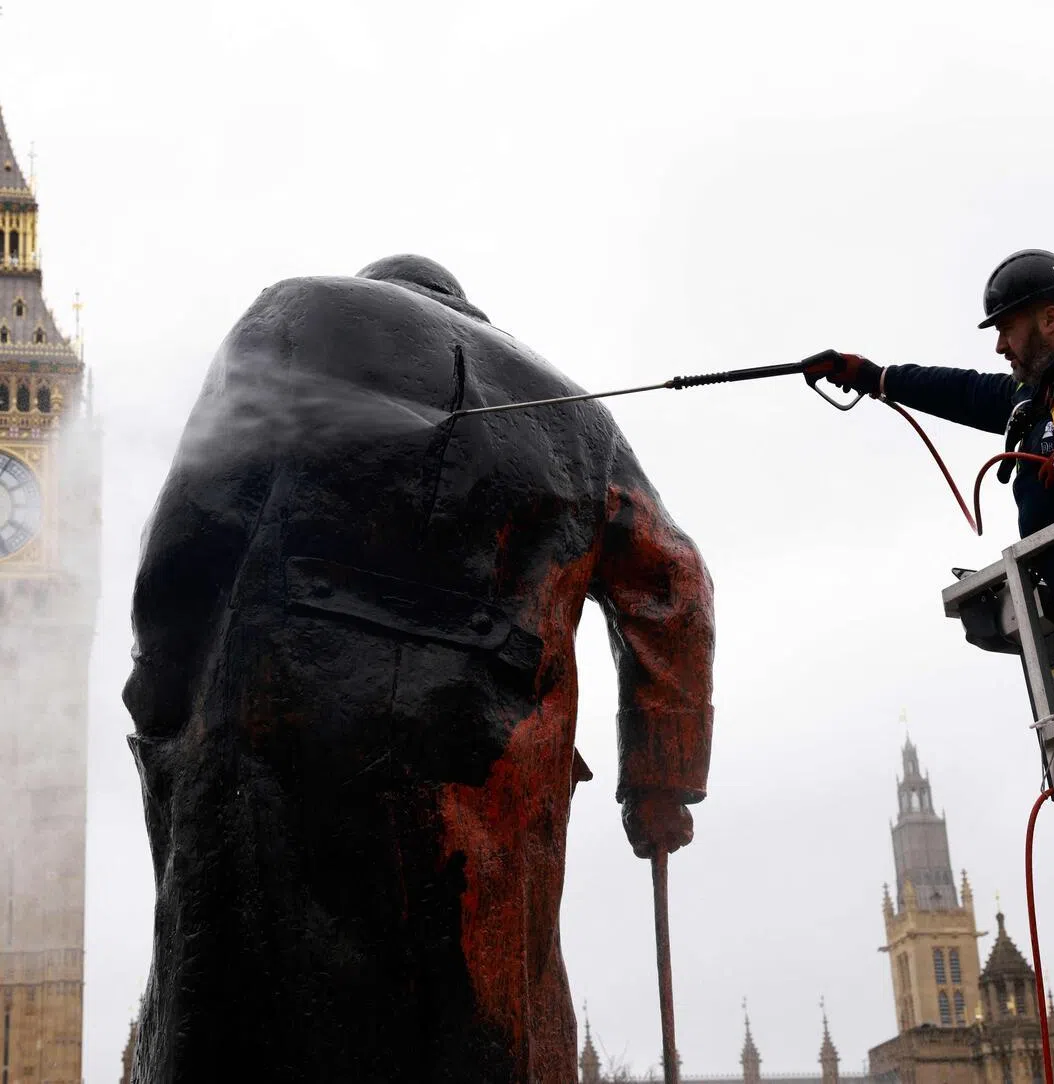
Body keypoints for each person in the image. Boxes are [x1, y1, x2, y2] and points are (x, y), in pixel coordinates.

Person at [123, 254, 715, 1083]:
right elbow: (674, 586)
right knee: (485, 1030)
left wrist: (159, 701)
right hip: (495, 772)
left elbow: (194, 525)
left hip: (280, 731)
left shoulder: (296, 313)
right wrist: (660, 779)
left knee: (256, 1013)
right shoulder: (580, 417)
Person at [821, 249, 1054, 707]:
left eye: (1007, 329)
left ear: (1050, 319)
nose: (1000, 346)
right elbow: (963, 390)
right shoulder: (1030, 399)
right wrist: (874, 376)